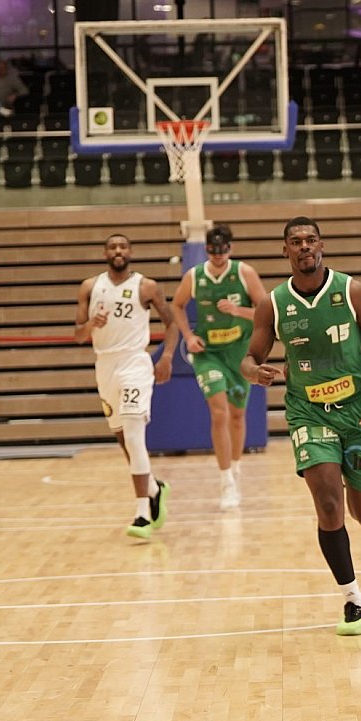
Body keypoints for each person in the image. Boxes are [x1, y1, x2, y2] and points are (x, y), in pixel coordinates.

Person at [242, 216, 361, 637]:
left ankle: (348, 476)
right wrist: (253, 372)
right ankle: (353, 598)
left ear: (321, 245)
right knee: (327, 503)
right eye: (296, 241)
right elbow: (250, 358)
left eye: (310, 239)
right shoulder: (273, 303)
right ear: (285, 250)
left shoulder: (352, 291)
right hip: (308, 413)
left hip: (357, 412)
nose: (304, 246)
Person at [73, 234, 186, 540]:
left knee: (135, 436)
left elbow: (171, 323)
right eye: (113, 247)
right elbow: (78, 335)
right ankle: (154, 489)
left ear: (131, 252)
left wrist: (166, 358)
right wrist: (92, 324)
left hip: (135, 362)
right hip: (105, 365)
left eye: (123, 246)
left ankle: (142, 513)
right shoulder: (89, 287)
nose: (118, 250)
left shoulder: (146, 286)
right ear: (105, 253)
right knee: (124, 440)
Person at [171, 224, 272, 510]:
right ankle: (225, 480)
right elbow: (177, 305)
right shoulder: (194, 276)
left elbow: (266, 312)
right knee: (219, 413)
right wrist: (188, 335)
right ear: (206, 249)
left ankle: (236, 470)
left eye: (223, 249)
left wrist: (237, 310)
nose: (218, 254)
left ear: (230, 248)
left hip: (239, 354)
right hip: (209, 354)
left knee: (237, 415)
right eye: (213, 250)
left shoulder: (244, 273)